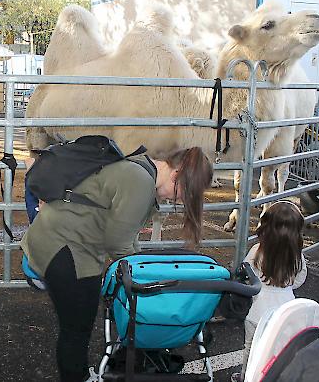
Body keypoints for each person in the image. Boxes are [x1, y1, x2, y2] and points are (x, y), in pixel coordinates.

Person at [21, 147, 213, 382]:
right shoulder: (141, 181)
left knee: (78, 325)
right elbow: (119, 243)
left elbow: (126, 237)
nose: (181, 200)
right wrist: (146, 276)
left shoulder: (141, 169)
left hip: (66, 242)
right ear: (177, 175)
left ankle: (79, 375)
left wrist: (140, 268)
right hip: (65, 248)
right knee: (76, 329)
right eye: (185, 193)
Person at [231, 200, 308, 382]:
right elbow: (299, 280)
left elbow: (246, 274)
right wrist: (284, 286)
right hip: (285, 310)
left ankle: (245, 377)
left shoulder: (257, 251)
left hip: (256, 310)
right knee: (278, 347)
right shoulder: (297, 256)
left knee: (251, 347)